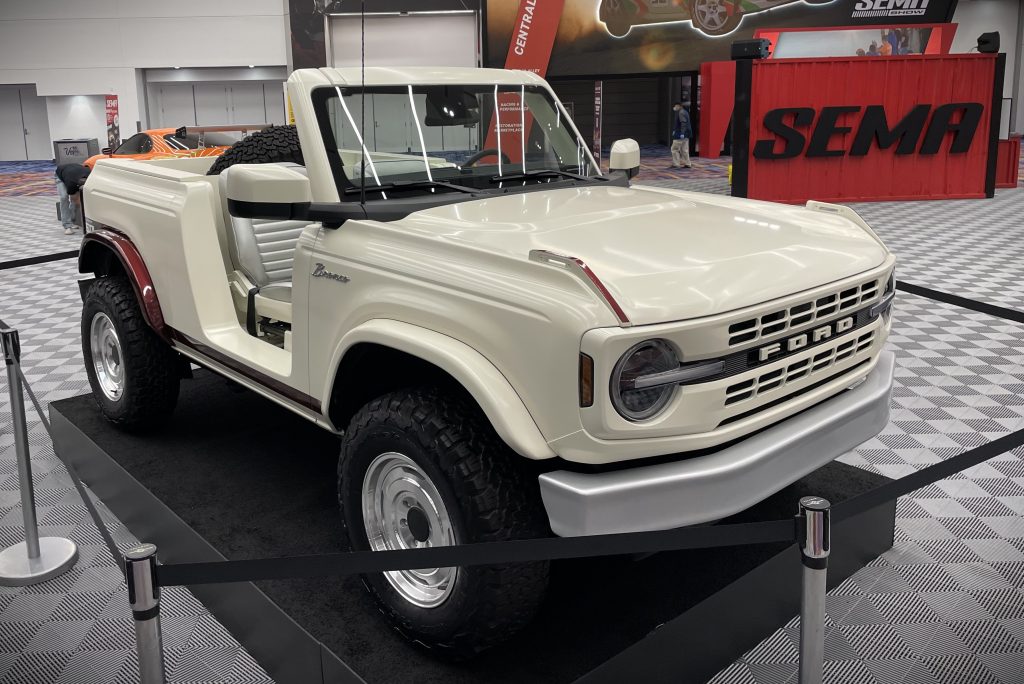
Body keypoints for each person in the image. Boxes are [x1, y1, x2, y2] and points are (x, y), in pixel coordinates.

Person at [55, 163, 90, 235]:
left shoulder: (90, 176)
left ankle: (72, 221)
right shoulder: (71, 183)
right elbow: (75, 198)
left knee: (77, 201)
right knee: (64, 197)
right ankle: (67, 226)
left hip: (74, 170)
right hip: (61, 175)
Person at [671, 102, 692, 169]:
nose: (674, 107)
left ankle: (676, 164)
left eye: (675, 106)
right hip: (686, 134)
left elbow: (683, 123)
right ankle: (688, 163)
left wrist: (682, 133)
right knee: (684, 150)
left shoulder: (681, 113)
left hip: (679, 134)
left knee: (674, 149)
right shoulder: (685, 112)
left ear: (679, 106)